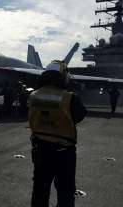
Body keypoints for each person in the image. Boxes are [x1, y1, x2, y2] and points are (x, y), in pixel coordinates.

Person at [28, 60, 87, 207]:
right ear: (62, 75)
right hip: (63, 153)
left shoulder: (33, 95)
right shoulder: (69, 97)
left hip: (40, 151)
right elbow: (79, 115)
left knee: (40, 191)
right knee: (65, 192)